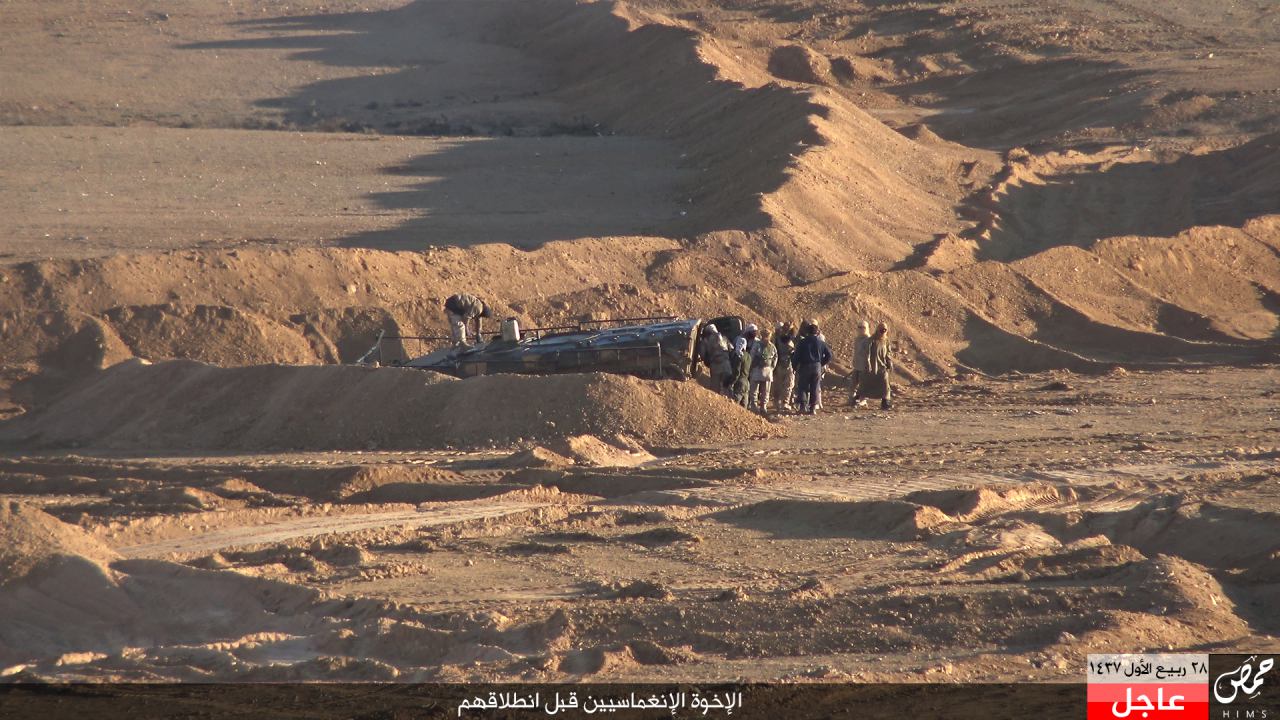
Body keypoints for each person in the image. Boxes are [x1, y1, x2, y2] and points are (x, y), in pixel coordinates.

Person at [791, 319, 832, 415]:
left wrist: (794, 366)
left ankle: (803, 407)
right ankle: (813, 408)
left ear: (807, 332)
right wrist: (821, 363)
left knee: (803, 386)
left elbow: (796, 356)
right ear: (817, 332)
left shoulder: (802, 342)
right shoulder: (821, 342)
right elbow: (829, 355)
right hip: (817, 367)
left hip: (805, 366)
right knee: (815, 387)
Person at [857, 321, 894, 410]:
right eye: (881, 330)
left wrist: (889, 362)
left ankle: (885, 403)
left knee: (885, 384)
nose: (883, 332)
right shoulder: (871, 340)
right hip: (872, 367)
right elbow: (867, 353)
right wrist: (868, 364)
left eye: (885, 330)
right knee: (865, 384)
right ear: (877, 330)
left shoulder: (886, 341)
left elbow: (888, 353)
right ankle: (858, 399)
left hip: (882, 367)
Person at [748, 326, 777, 413]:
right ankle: (763, 406)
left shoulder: (757, 345)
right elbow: (775, 358)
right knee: (766, 391)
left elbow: (751, 356)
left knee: (754, 390)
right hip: (768, 370)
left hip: (757, 369)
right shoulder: (772, 346)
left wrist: (751, 366)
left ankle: (754, 406)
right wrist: (772, 367)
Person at [699, 324, 733, 396]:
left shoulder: (705, 341)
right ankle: (729, 401)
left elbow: (702, 355)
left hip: (715, 366)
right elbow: (732, 350)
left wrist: (707, 361)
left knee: (714, 390)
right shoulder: (724, 337)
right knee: (727, 387)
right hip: (726, 365)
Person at [771, 322, 796, 412]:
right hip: (786, 364)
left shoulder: (776, 339)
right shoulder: (790, 339)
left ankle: (778, 402)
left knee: (780, 384)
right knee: (787, 384)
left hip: (780, 364)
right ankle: (784, 402)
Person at [731, 324, 757, 407]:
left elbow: (737, 372)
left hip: (740, 383)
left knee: (735, 404)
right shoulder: (748, 356)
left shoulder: (739, 357)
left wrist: (730, 383)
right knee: (744, 406)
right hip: (747, 383)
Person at [850, 320, 872, 407]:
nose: (861, 329)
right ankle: (852, 399)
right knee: (853, 384)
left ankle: (863, 400)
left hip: (864, 366)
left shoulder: (869, 340)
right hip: (857, 365)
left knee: (863, 384)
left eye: (863, 327)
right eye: (859, 327)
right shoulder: (857, 339)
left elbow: (869, 354)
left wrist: (868, 364)